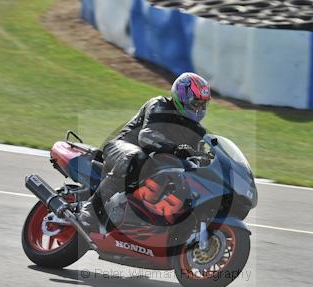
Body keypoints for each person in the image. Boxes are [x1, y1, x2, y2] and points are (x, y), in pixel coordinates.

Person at [77, 72, 212, 233]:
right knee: (136, 157)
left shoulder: (196, 130)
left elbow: (200, 154)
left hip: (151, 164)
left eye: (203, 105)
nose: (199, 109)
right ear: (181, 98)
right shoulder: (160, 105)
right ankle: (89, 210)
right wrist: (175, 149)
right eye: (195, 103)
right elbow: (147, 136)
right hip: (121, 148)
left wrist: (208, 159)